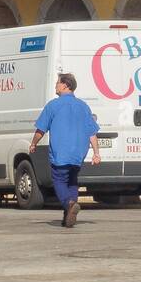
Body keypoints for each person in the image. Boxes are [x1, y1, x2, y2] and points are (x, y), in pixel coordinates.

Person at [30, 72, 101, 228]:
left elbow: (41, 130)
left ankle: (69, 204)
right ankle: (69, 212)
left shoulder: (53, 105)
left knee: (59, 180)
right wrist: (96, 153)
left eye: (57, 82)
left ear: (65, 85)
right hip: (78, 154)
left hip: (61, 153)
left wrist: (33, 143)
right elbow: (92, 133)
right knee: (72, 181)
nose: (56, 85)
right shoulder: (83, 106)